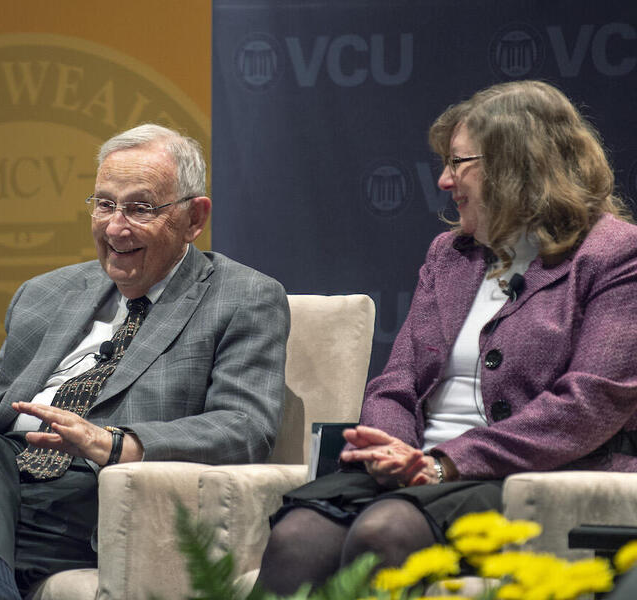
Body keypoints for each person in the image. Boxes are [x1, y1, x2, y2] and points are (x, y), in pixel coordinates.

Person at [0, 124, 290, 600]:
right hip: (0, 479)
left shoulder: (242, 297)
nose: (115, 228)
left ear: (194, 218)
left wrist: (112, 443)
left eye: (140, 208)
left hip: (98, 492)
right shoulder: (47, 294)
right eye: (105, 204)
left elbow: (244, 427)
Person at [254, 80, 637, 595]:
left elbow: (588, 404)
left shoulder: (613, 255)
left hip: (532, 476)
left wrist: (447, 463)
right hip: (419, 469)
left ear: (517, 165)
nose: (443, 180)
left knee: (385, 531)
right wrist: (393, 451)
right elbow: (397, 383)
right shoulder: (450, 254)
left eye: (459, 163)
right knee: (298, 536)